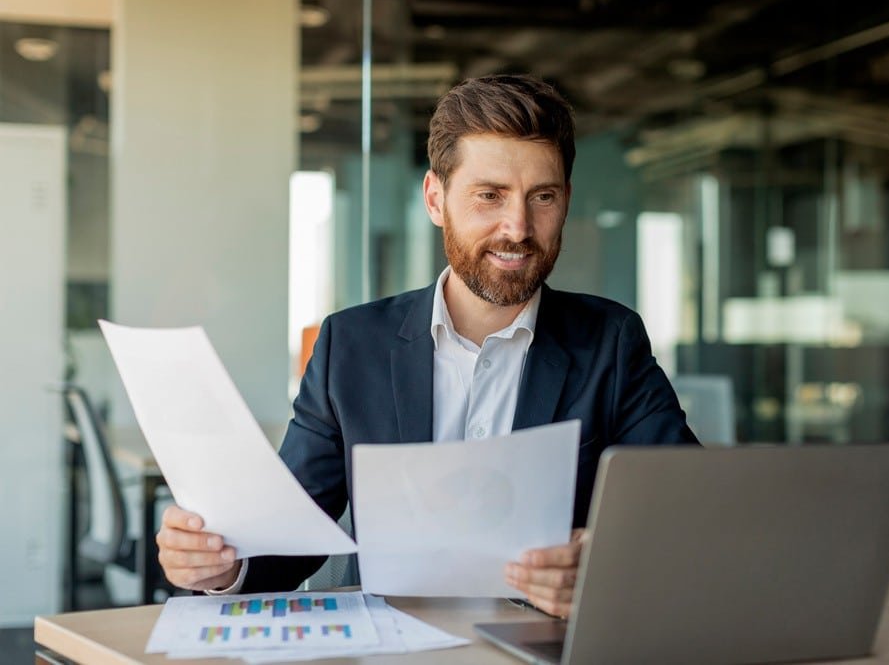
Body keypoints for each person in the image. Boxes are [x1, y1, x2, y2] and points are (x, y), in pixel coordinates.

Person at [156, 74, 699, 618]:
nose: (518, 227)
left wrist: (603, 564)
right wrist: (223, 565)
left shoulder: (610, 342)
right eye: (490, 196)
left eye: (543, 197)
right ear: (436, 198)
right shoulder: (350, 345)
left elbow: (691, 512)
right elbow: (293, 530)